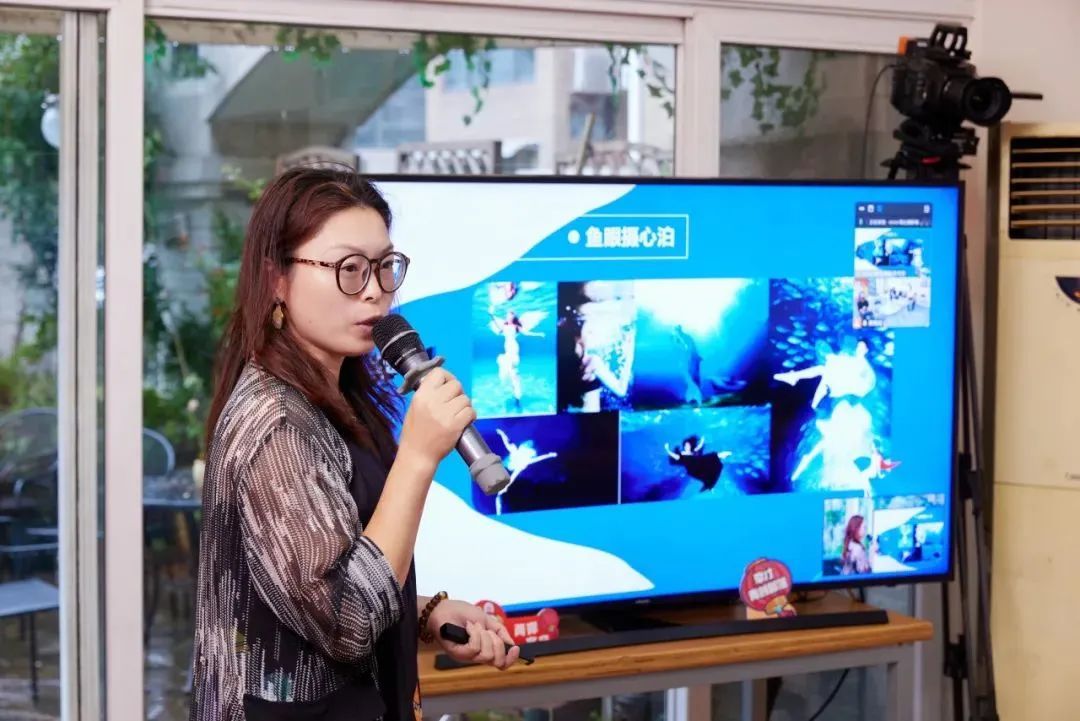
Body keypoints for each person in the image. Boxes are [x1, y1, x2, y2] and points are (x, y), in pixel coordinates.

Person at [190, 167, 518, 721]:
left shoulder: (337, 392)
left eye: (385, 266)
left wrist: (425, 614)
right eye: (348, 269)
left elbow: (311, 588)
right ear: (276, 278)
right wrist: (418, 457)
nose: (374, 290)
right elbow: (345, 622)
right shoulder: (275, 424)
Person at [664, 435, 732, 492]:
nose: (687, 446)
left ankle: (709, 485)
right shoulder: (682, 454)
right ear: (684, 446)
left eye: (688, 445)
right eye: (686, 445)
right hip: (694, 469)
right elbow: (675, 456)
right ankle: (709, 485)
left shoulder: (693, 451)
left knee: (713, 460)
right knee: (707, 472)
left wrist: (702, 440)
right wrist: (667, 449)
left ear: (690, 445)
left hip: (700, 464)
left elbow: (699, 447)